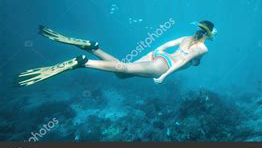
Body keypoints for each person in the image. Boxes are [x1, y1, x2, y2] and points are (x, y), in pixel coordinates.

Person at [17, 21, 216, 86]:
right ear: (208, 36)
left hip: (157, 57)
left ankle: (93, 48)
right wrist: (163, 76)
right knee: (124, 69)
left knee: (121, 73)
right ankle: (83, 62)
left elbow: (164, 45)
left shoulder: (185, 38)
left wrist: (150, 53)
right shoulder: (203, 48)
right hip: (162, 66)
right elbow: (182, 63)